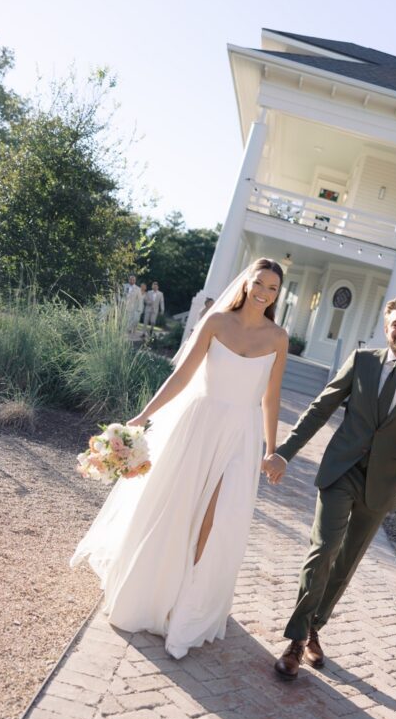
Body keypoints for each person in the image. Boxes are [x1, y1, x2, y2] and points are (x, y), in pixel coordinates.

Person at [71, 259, 288, 659]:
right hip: (198, 425)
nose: (264, 292)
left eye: (273, 288)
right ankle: (158, 595)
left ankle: (186, 614)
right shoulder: (217, 322)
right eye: (259, 283)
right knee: (178, 508)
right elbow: (182, 376)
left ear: (278, 295)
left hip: (240, 436)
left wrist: (271, 449)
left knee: (216, 518)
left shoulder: (278, 338)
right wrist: (142, 417)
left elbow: (270, 397)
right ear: (246, 283)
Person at [263, 295, 396, 680]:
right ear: (386, 328)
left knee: (346, 562)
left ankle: (315, 627)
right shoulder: (362, 362)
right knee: (324, 549)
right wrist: (284, 453)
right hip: (340, 471)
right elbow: (321, 408)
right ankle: (296, 640)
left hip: (381, 484)